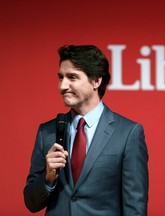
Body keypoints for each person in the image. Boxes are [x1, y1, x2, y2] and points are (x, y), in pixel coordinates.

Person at [24, 45, 149, 216]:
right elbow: (31, 203)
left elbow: (135, 207)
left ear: (96, 81)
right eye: (61, 77)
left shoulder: (128, 133)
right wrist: (48, 178)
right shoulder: (47, 132)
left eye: (72, 77)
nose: (62, 86)